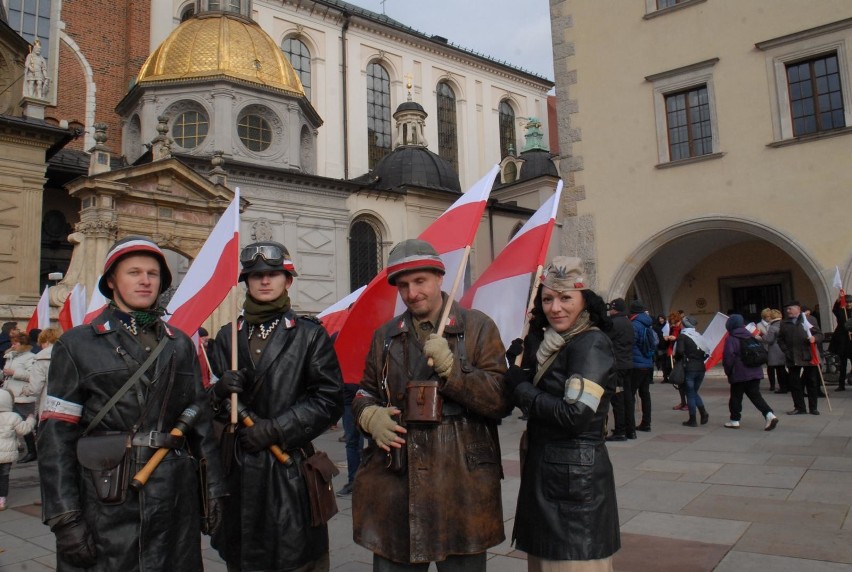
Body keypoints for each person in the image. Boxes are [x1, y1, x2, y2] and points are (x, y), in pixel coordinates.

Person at [38, 235, 226, 571]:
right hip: (106, 497)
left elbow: (199, 424)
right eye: (134, 272)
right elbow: (56, 436)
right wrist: (64, 516)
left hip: (173, 499)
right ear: (112, 281)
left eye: (152, 274)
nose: (144, 280)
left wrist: (213, 489)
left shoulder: (180, 344)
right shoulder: (77, 344)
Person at [352, 238, 509, 571]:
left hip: (461, 482)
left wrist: (454, 370)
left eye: (420, 281)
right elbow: (364, 391)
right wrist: (368, 414)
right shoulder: (385, 335)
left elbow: (500, 399)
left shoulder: (477, 327)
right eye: (404, 286)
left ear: (440, 278)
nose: (412, 293)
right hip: (397, 480)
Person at [209, 240, 344, 572]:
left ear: (288, 280)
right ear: (246, 282)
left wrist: (276, 428)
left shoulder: (309, 335)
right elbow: (210, 409)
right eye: (256, 276)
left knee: (297, 561)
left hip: (289, 470)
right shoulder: (228, 335)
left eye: (272, 274)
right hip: (238, 471)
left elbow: (329, 400)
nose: (264, 281)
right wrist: (217, 393)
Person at [504, 256, 620, 570]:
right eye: (548, 299)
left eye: (566, 297)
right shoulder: (553, 344)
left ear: (585, 302)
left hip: (574, 492)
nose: (556, 308)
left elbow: (576, 415)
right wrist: (523, 367)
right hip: (550, 481)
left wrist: (521, 387)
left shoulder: (591, 344)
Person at [722, 314, 779, 431]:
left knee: (736, 398)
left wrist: (729, 372)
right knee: (756, 396)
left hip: (739, 373)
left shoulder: (731, 338)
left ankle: (734, 420)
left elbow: (728, 358)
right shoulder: (750, 335)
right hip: (755, 371)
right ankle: (769, 415)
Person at [778, 300, 824, 415]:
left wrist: (815, 338)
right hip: (792, 356)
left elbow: (819, 334)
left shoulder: (809, 320)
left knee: (812, 382)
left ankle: (813, 408)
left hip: (809, 355)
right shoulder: (784, 323)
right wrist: (786, 350)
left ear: (798, 309)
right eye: (787, 309)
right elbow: (781, 339)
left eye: (790, 308)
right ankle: (799, 407)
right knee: (795, 383)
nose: (788, 311)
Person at [3, 330, 36, 462]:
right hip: (10, 395)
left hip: (23, 395)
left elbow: (32, 376)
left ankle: (32, 451)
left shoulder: (30, 357)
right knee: (11, 423)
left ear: (23, 344)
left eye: (15, 343)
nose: (13, 345)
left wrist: (14, 372)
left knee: (24, 425)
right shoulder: (12, 356)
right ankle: (15, 446)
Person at [0, 389, 35, 510]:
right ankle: (2, 500)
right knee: (4, 476)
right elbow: (24, 430)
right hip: (7, 455)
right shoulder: (13, 417)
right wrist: (31, 420)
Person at [606, 297, 634, 441]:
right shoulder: (629, 322)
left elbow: (605, 340)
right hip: (628, 364)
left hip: (617, 365)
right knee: (628, 398)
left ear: (614, 309)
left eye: (611, 308)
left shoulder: (614, 323)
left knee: (617, 399)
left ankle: (620, 431)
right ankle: (630, 430)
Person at [675, 316, 710, 427]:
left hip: (689, 368)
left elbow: (679, 352)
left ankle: (693, 419)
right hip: (701, 367)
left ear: (684, 325)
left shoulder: (683, 336)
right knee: (693, 392)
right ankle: (703, 413)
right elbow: (706, 353)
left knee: (690, 393)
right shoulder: (699, 336)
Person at [628, 300, 656, 432]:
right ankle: (646, 423)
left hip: (636, 363)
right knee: (645, 394)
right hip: (648, 362)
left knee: (630, 394)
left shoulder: (634, 324)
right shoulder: (648, 323)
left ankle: (630, 424)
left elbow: (631, 342)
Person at [28, 327, 61, 417]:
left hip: (48, 402)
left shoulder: (41, 358)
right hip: (69, 404)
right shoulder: (70, 355)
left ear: (45, 341)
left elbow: (34, 389)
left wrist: (26, 390)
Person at [760, 309, 789, 394]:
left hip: (775, 350)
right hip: (783, 349)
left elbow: (769, 340)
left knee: (779, 371)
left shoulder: (772, 327)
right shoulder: (784, 324)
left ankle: (783, 387)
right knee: (782, 369)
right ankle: (787, 385)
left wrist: (761, 335)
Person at [829, 294, 852, 391]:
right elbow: (834, 309)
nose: (849, 304)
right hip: (843, 341)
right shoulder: (841, 312)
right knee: (842, 364)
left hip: (851, 341)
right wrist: (838, 300)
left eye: (850, 302)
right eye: (847, 302)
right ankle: (841, 384)